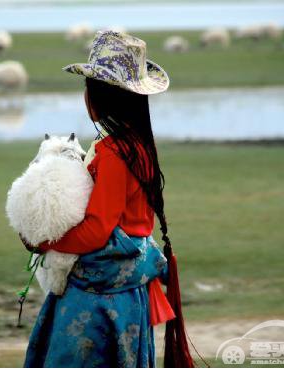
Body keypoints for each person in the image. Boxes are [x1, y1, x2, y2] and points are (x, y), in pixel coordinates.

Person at [21, 30, 193, 368]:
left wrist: (42, 242)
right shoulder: (138, 144)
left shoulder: (116, 152)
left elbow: (97, 230)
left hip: (100, 295)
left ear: (97, 96)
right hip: (128, 288)